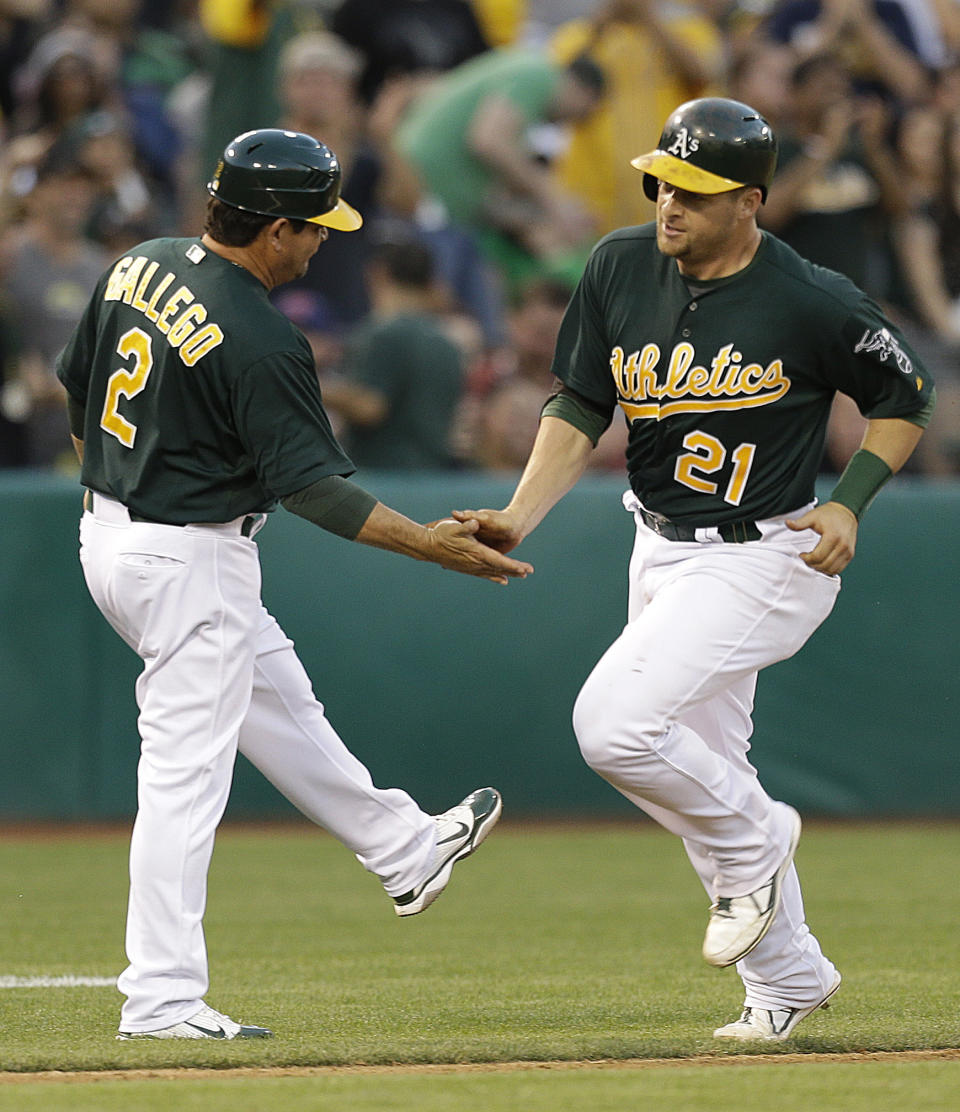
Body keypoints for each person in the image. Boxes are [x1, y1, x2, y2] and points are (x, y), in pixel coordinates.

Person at [452, 97, 934, 1041]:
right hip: (661, 545)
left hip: (767, 553)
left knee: (616, 726)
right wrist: (517, 514)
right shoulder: (621, 265)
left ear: (752, 200)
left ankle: (762, 835)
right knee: (703, 768)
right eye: (661, 181)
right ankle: (788, 977)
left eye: (697, 190)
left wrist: (851, 499)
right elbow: (581, 402)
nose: (670, 202)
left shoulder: (809, 295)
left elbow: (905, 394)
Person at [55, 127, 532, 1040]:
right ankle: (160, 998)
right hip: (185, 555)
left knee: (279, 702)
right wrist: (436, 549)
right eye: (315, 227)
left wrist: (127, 489)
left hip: (114, 535)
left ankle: (403, 849)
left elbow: (81, 394)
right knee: (183, 783)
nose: (323, 242)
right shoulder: (262, 335)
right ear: (274, 230)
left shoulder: (139, 264)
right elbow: (317, 492)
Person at [393, 46, 606, 292]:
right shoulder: (537, 74)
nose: (574, 124)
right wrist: (553, 202)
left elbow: (490, 191)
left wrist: (544, 218)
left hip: (439, 212)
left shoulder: (523, 105)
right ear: (585, 94)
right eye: (585, 114)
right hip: (419, 198)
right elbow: (488, 140)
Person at [320, 236, 466, 470]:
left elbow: (369, 407)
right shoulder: (447, 343)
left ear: (378, 273)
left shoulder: (385, 334)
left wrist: (306, 386)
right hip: (434, 475)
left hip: (383, 477)